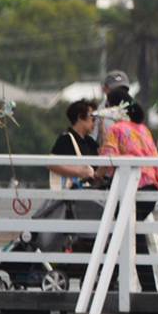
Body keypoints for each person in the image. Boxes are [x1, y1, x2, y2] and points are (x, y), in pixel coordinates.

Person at [95, 83, 158, 292]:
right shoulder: (143, 129)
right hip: (151, 189)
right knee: (132, 235)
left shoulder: (117, 129)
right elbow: (156, 159)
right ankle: (146, 287)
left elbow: (108, 158)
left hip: (134, 190)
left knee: (122, 232)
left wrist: (96, 176)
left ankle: (106, 281)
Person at [42, 97, 109, 286]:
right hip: (71, 200)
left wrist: (103, 131)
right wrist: (79, 172)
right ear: (80, 117)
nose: (94, 122)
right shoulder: (67, 139)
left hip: (86, 200)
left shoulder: (89, 142)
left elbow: (100, 163)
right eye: (92, 118)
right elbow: (51, 163)